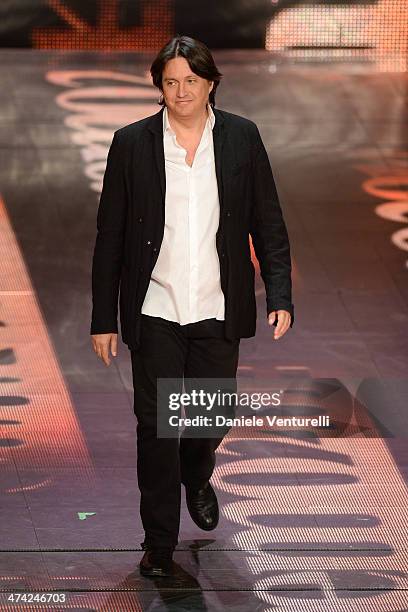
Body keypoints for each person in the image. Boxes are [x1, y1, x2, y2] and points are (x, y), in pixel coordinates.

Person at [90, 35, 294, 578]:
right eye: (171, 81)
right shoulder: (131, 143)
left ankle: (196, 471)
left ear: (211, 83)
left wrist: (279, 294)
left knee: (208, 416)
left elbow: (267, 221)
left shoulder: (241, 138)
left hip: (215, 305)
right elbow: (109, 235)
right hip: (155, 306)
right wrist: (102, 319)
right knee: (156, 428)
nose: (181, 91)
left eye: (191, 81)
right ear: (159, 85)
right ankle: (158, 545)